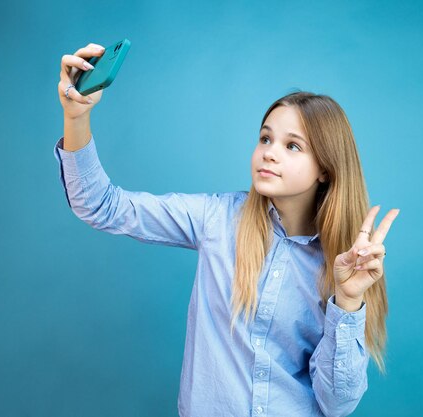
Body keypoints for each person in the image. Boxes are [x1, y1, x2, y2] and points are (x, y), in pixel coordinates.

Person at [54, 42, 400, 417]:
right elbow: (101, 205)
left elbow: (337, 404)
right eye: (265, 138)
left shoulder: (345, 264)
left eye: (293, 146)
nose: (270, 152)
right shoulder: (216, 219)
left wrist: (347, 302)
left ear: (325, 170)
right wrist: (76, 117)